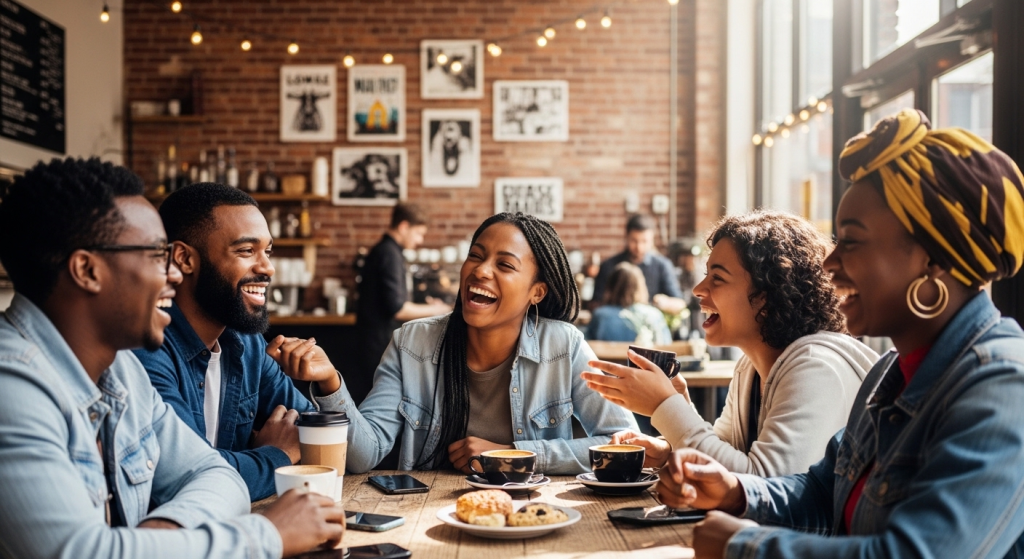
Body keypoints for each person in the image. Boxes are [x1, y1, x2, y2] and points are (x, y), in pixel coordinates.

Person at [657, 109, 1024, 559]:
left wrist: (744, 546)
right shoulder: (890, 373)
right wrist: (735, 491)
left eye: (850, 242)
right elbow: (821, 489)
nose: (829, 265)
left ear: (933, 261)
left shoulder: (1002, 386)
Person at [0, 158, 342, 559]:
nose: (175, 274)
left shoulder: (121, 371)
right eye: (155, 255)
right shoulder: (12, 388)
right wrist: (266, 534)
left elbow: (216, 475)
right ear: (87, 270)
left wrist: (160, 536)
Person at [583, 210, 877, 477]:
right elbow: (728, 452)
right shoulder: (750, 366)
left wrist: (666, 406)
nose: (699, 290)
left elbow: (766, 485)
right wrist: (668, 449)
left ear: (766, 294)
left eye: (718, 278)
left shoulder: (815, 367)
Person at [340, 212, 638, 474]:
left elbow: (626, 445)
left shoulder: (564, 347)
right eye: (476, 255)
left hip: (531, 512)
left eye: (505, 265)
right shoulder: (411, 344)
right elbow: (362, 455)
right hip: (426, 515)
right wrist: (330, 385)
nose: (480, 271)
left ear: (537, 292)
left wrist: (511, 455)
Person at [133, 183, 349, 501]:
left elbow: (323, 438)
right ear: (183, 259)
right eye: (246, 251)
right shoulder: (147, 351)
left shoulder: (246, 346)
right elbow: (188, 478)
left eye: (268, 251)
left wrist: (329, 380)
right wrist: (278, 455)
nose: (267, 268)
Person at [354, 203, 451, 403]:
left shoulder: (387, 251)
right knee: (381, 402)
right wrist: (437, 310)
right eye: (418, 233)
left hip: (371, 342)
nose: (420, 240)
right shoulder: (389, 254)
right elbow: (398, 309)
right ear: (404, 226)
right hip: (378, 345)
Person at [591, 214, 685, 315]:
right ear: (626, 237)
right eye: (634, 241)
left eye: (644, 241)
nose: (639, 247)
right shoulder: (609, 266)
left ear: (652, 239)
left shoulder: (662, 266)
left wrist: (665, 302)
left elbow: (680, 303)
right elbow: (595, 303)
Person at [587, 262, 672, 345]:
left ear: (610, 286)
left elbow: (588, 349)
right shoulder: (654, 315)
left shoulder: (600, 316)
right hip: (643, 359)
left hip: (606, 359)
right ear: (640, 287)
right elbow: (666, 347)